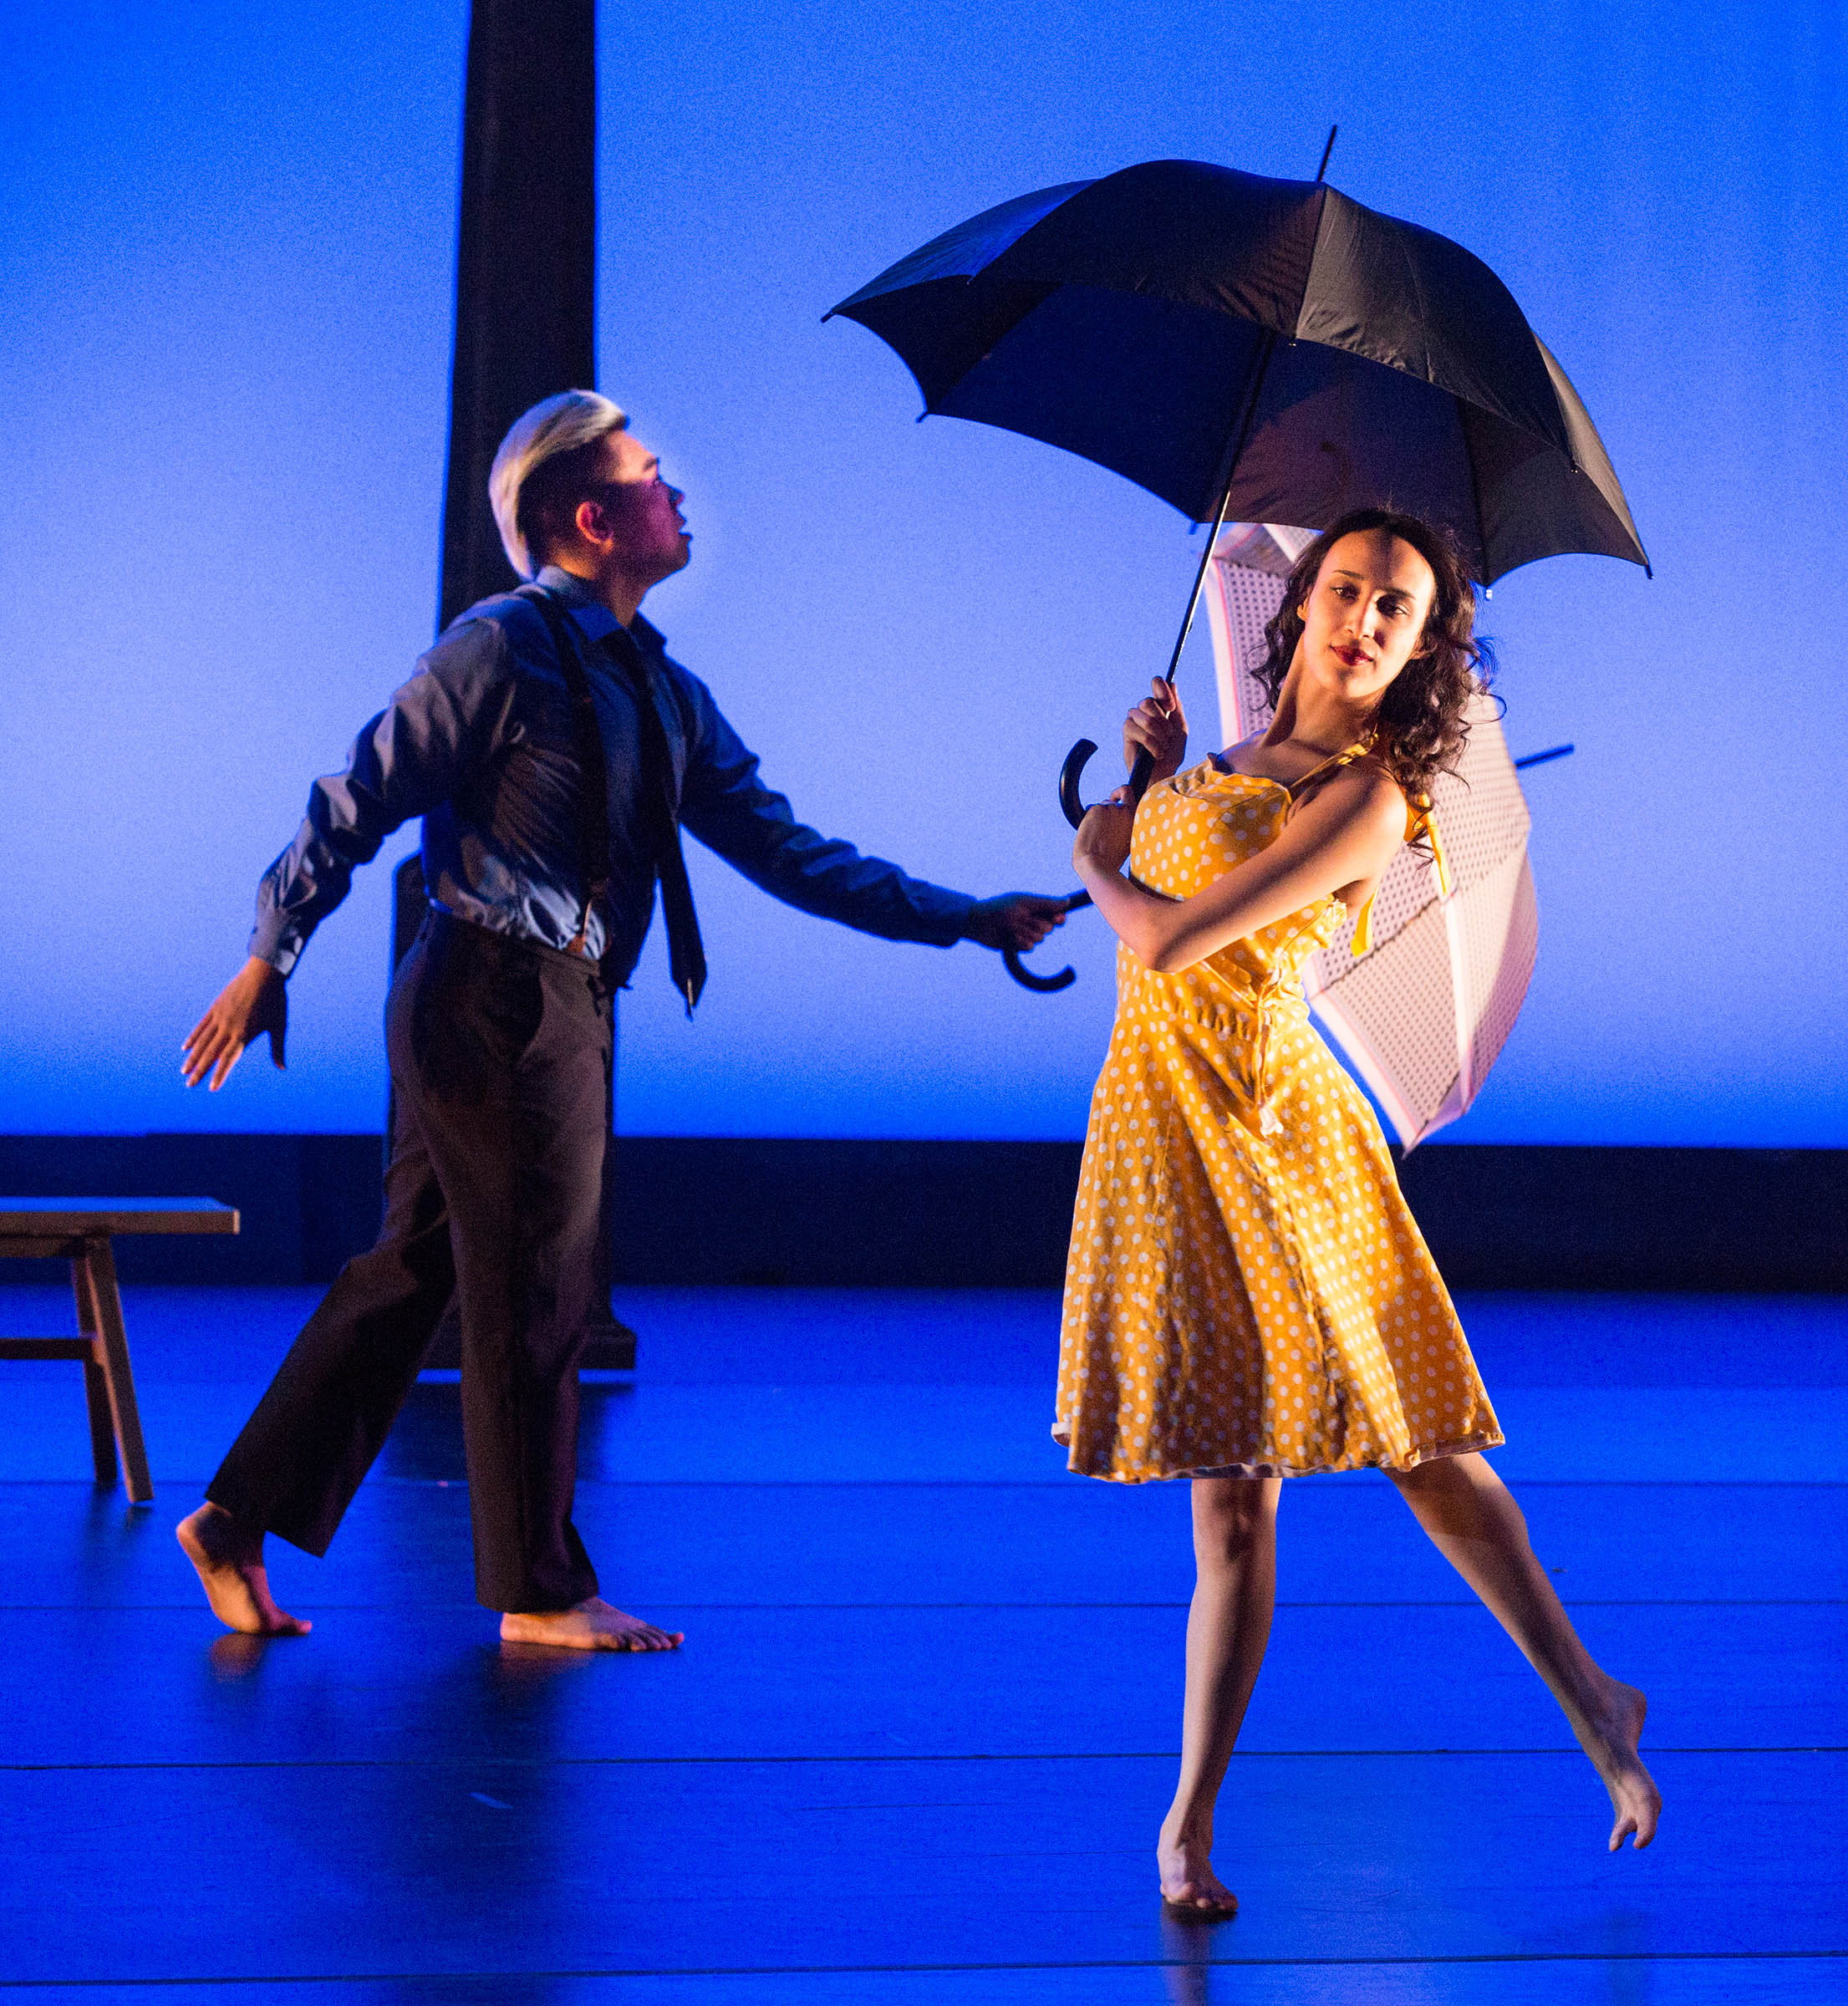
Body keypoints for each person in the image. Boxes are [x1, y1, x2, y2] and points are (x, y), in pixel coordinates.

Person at [176, 389, 1068, 1651]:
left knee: (412, 1278)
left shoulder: (662, 688)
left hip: (556, 1002)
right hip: (492, 995)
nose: (677, 491)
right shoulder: (500, 649)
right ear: (592, 519)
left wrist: (965, 919)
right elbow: (357, 795)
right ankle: (539, 1593)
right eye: (652, 474)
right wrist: (272, 951)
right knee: (536, 1289)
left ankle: (235, 1519)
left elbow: (787, 850)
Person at [1056, 507, 1660, 1917]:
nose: (1364, 620)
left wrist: (1095, 852)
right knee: (1231, 1502)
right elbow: (1167, 892)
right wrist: (1147, 778)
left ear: (1424, 644)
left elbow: (1167, 935)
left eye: (1398, 607)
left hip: (1278, 1137)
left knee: (1416, 1444)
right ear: (1301, 605)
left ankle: (1591, 1699)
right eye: (1346, 589)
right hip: (1162, 1129)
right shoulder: (1226, 759)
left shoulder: (1371, 797)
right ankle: (1189, 1828)